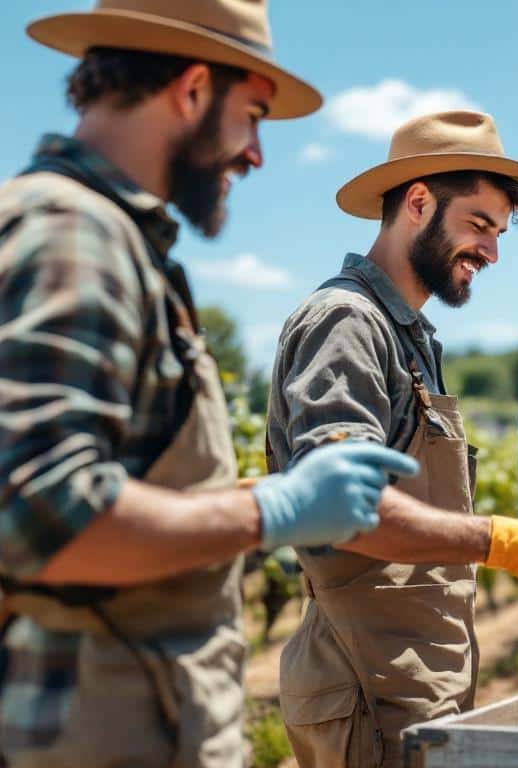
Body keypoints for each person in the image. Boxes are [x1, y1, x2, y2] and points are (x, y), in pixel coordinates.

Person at [0, 2, 413, 766]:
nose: (256, 152)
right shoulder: (73, 235)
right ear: (192, 90)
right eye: (253, 114)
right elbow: (39, 512)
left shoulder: (111, 242)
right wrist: (273, 507)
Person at [268, 111, 518, 767]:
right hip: (368, 691)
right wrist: (503, 540)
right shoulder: (346, 322)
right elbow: (340, 505)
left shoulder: (409, 337)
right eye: (479, 225)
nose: (492, 251)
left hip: (409, 689)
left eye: (497, 232)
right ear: (417, 202)